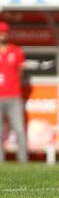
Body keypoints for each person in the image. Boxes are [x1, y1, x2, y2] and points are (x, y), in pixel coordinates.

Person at [0, 21, 27, 163]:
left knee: (19, 129)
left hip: (13, 96)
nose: (2, 35)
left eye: (4, 32)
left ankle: (23, 160)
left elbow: (20, 72)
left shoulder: (16, 51)